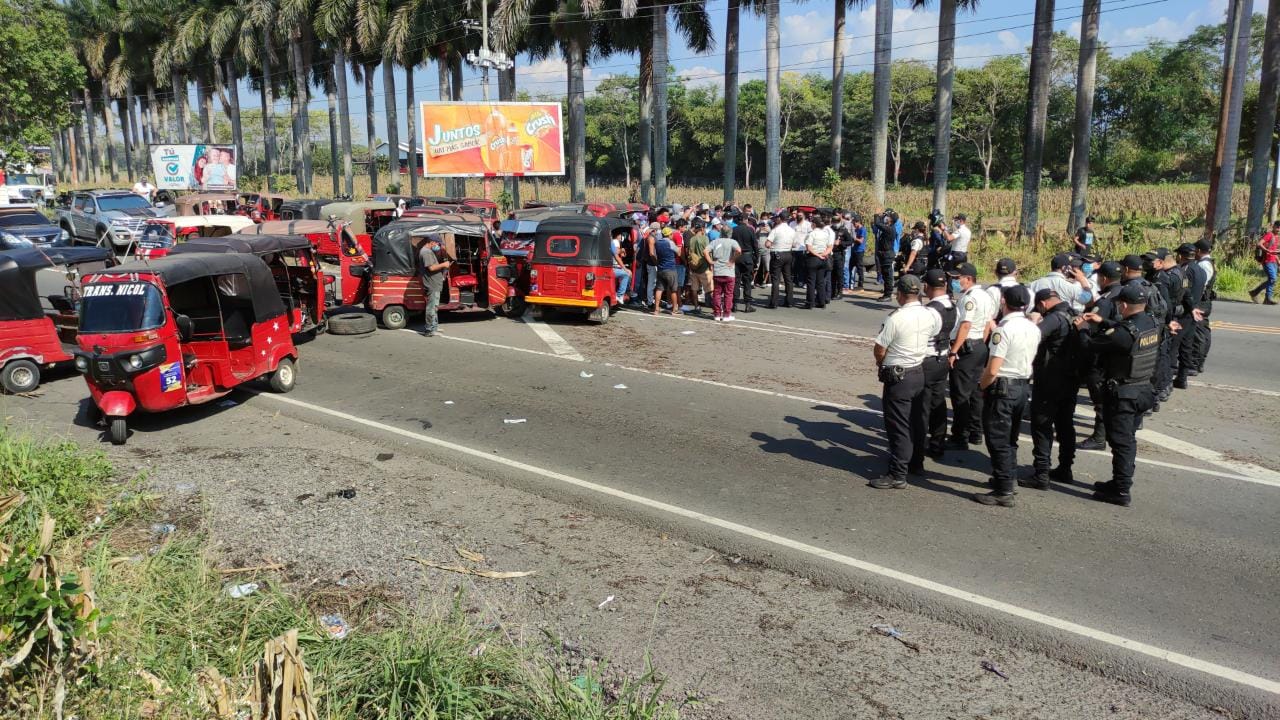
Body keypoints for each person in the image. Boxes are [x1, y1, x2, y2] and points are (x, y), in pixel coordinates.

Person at [1076, 283, 1160, 507]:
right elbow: (1128, 331)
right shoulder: (1151, 322)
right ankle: (1117, 482)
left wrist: (1083, 328)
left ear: (1123, 304)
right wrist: (1104, 321)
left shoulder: (1122, 333)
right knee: (1126, 439)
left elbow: (1090, 346)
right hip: (1143, 390)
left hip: (1125, 394)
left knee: (1122, 442)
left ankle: (1121, 490)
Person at [869, 274, 941, 489]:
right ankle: (915, 463)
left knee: (898, 425)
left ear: (900, 294)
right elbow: (934, 334)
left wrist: (882, 364)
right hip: (918, 371)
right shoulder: (931, 314)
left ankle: (898, 473)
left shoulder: (895, 318)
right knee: (917, 422)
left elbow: (880, 348)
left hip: (899, 375)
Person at [972, 285, 1039, 507]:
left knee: (998, 439)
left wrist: (982, 385)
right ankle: (1008, 478)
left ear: (1003, 302)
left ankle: (1003, 490)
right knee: (1010, 438)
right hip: (1021, 387)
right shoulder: (1033, 328)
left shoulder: (1003, 330)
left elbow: (993, 368)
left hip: (1003, 387)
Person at [1023, 288, 1081, 489]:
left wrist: (1033, 320)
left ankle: (1041, 473)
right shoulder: (1074, 314)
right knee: (1065, 425)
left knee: (1042, 426)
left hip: (1050, 379)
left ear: (1042, 304)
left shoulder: (1054, 318)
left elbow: (1033, 336)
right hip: (1070, 378)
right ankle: (1065, 468)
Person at [947, 263, 997, 448]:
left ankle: (960, 436)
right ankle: (976, 432)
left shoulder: (970, 298)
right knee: (976, 393)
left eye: (957, 278)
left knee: (960, 394)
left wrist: (954, 351)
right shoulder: (986, 295)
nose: (955, 281)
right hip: (978, 347)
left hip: (966, 349)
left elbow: (965, 325)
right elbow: (986, 324)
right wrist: (980, 344)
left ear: (968, 278)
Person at [1078, 260, 1124, 451]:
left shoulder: (1106, 301)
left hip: (1102, 353)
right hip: (1118, 352)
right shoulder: (1124, 291)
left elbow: (1093, 327)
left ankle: (1099, 436)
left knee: (1100, 397)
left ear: (1103, 278)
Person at [920, 269, 955, 461]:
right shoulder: (952, 306)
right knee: (938, 402)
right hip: (943, 358)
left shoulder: (931, 310)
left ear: (927, 286)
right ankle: (937, 443)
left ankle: (918, 446)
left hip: (929, 358)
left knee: (922, 406)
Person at [1029, 254, 1093, 312]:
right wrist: (1083, 280)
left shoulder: (1034, 284)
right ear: (1064, 268)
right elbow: (1087, 299)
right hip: (1060, 321)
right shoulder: (1068, 285)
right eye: (1069, 266)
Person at [706, 225, 742, 322]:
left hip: (717, 271)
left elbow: (705, 251)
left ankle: (717, 314)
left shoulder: (715, 241)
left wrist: (710, 261)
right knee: (728, 294)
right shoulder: (732, 242)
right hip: (729, 272)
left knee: (717, 293)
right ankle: (726, 315)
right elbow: (739, 251)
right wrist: (732, 260)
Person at [418, 235, 451, 337]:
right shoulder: (425, 252)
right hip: (431, 284)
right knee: (431, 308)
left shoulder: (428, 251)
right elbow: (431, 268)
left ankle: (434, 327)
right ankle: (429, 330)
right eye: (438, 244)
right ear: (432, 242)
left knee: (435, 307)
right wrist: (444, 265)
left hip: (435, 283)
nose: (438, 246)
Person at [1191, 239, 1216, 374]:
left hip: (1201, 302)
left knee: (1199, 333)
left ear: (1199, 251)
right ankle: (1198, 362)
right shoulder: (1207, 263)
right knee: (1203, 332)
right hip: (1204, 301)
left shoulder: (1203, 265)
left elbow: (1200, 285)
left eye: (1195, 251)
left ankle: (1195, 363)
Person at [766, 214, 797, 308]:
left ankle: (774, 302)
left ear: (779, 219)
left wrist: (774, 245)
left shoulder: (776, 229)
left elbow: (767, 244)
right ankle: (789, 301)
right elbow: (794, 244)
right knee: (788, 278)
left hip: (778, 254)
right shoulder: (792, 230)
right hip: (788, 253)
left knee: (776, 279)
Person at [804, 216, 834, 309]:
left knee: (811, 281)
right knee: (820, 281)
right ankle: (822, 302)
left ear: (814, 224)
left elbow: (809, 247)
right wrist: (823, 254)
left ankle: (810, 303)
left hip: (813, 258)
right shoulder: (825, 234)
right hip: (823, 258)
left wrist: (817, 255)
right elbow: (830, 247)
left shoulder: (812, 234)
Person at [732, 213, 759, 313]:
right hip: (747, 257)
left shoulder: (734, 230)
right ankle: (747, 304)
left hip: (737, 256)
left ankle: (734, 304)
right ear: (745, 220)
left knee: (736, 281)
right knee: (747, 281)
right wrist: (756, 259)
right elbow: (755, 246)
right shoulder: (750, 230)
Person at [684, 220, 713, 314]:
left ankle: (696, 307)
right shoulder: (705, 238)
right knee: (710, 289)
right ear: (702, 229)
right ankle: (716, 307)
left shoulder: (692, 239)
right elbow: (708, 252)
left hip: (694, 267)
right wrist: (711, 264)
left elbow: (690, 252)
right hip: (704, 266)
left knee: (694, 289)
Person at [1251, 221, 1280, 304]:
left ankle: (1263, 297)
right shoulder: (1269, 235)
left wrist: (1278, 260)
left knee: (1272, 280)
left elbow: (1273, 251)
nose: (1278, 229)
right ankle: (1260, 295)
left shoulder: (1277, 237)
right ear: (1273, 226)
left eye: (1279, 228)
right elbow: (1259, 243)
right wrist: (1266, 250)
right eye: (1277, 227)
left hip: (1273, 261)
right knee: (1273, 279)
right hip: (1267, 261)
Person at [873, 210, 899, 300]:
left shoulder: (890, 229)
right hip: (884, 254)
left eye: (887, 216)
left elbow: (877, 224)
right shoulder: (888, 227)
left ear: (891, 219)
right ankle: (886, 293)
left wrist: (877, 215)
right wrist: (881, 217)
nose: (885, 218)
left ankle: (888, 295)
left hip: (887, 254)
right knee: (885, 275)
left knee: (888, 275)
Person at [611, 231, 632, 305]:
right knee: (627, 274)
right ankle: (621, 295)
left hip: (610, 266)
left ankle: (626, 292)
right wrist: (621, 250)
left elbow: (618, 255)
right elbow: (616, 255)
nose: (621, 236)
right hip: (612, 267)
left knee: (627, 272)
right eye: (620, 234)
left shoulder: (609, 242)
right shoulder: (614, 241)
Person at [849, 214, 867, 291]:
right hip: (854, 250)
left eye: (854, 223)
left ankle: (860, 285)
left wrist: (854, 238)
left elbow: (861, 241)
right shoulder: (856, 229)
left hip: (859, 251)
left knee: (859, 268)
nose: (853, 224)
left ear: (858, 222)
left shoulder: (862, 229)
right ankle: (849, 282)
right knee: (850, 267)